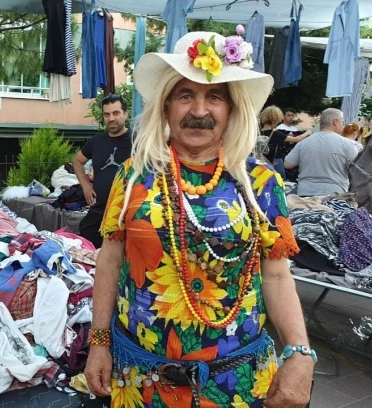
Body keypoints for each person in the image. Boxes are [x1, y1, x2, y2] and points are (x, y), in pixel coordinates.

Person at [84, 31, 313, 408]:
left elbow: (275, 275)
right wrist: (98, 342)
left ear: (232, 108)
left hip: (235, 382)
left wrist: (300, 352)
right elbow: (109, 259)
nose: (199, 111)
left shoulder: (260, 182)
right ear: (166, 105)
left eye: (215, 97)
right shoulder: (134, 175)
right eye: (185, 95)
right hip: (141, 379)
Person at [74, 94, 132, 249]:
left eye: (116, 113)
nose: (111, 118)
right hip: (98, 211)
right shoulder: (96, 142)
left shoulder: (138, 140)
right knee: (86, 249)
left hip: (125, 214)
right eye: (107, 114)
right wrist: (86, 186)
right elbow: (78, 162)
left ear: (125, 114)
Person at [284, 108, 359, 196]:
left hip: (305, 193)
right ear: (335, 122)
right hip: (335, 194)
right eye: (342, 122)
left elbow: (287, 164)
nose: (343, 125)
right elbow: (357, 170)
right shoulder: (347, 144)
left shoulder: (304, 143)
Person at [260, 106, 310, 178]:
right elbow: (295, 139)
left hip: (262, 161)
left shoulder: (259, 132)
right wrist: (307, 133)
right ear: (277, 118)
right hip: (275, 161)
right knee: (281, 180)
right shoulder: (275, 133)